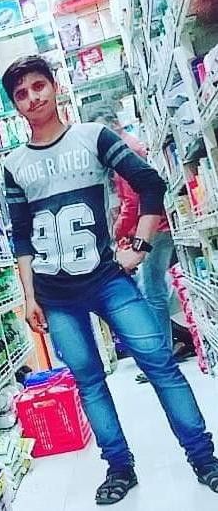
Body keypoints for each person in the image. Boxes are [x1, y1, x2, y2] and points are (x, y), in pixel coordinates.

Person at [1, 55, 218, 505]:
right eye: (21, 94)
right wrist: (29, 296)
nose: (32, 98)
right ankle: (119, 469)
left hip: (107, 278)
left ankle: (205, 460)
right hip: (55, 294)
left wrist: (139, 246)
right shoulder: (14, 164)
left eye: (38, 86)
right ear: (15, 105)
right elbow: (21, 236)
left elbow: (150, 183)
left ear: (55, 87)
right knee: (89, 381)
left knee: (160, 364)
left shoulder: (92, 138)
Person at [89, 107, 176, 383]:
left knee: (153, 292)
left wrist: (116, 232)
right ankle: (165, 351)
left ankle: (161, 360)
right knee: (154, 289)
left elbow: (132, 201)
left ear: (114, 125)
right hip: (154, 227)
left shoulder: (125, 151)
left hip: (153, 230)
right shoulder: (129, 146)